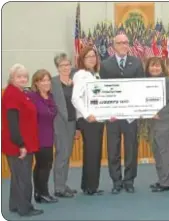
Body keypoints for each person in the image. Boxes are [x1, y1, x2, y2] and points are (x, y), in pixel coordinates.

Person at [99, 33, 145, 194]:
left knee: (131, 148)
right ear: (113, 46)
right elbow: (103, 91)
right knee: (113, 149)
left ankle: (129, 181)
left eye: (126, 42)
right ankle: (116, 181)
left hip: (131, 115)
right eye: (120, 43)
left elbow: (141, 88)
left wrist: (139, 109)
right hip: (112, 115)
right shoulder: (105, 65)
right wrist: (107, 111)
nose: (123, 45)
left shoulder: (137, 63)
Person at [1, 64, 44, 216]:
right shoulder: (12, 94)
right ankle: (25, 209)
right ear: (12, 78)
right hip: (18, 144)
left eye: (25, 76)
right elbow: (12, 123)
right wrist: (20, 144)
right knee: (23, 178)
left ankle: (15, 205)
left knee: (17, 177)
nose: (23, 79)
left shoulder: (19, 92)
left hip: (23, 142)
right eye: (19, 76)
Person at [72, 46, 104, 195]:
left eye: (94, 56)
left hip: (97, 118)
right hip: (88, 120)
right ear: (82, 60)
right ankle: (90, 187)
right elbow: (75, 98)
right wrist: (86, 114)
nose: (92, 58)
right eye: (88, 56)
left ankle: (89, 185)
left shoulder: (95, 75)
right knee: (92, 152)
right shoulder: (81, 75)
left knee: (94, 153)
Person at [143, 57, 169, 192]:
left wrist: (160, 114)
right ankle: (162, 179)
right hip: (151, 123)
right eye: (152, 66)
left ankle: (167, 183)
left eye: (157, 66)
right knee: (157, 152)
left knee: (166, 153)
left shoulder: (168, 82)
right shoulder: (144, 83)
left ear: (162, 68)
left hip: (164, 122)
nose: (155, 68)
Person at [51, 53, 79, 198]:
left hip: (72, 122)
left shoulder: (74, 82)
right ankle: (59, 188)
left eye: (68, 64)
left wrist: (77, 127)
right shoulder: (53, 83)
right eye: (62, 65)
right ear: (57, 67)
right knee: (62, 154)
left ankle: (63, 183)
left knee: (67, 155)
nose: (65, 67)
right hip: (59, 123)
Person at [27, 70, 58, 204]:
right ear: (36, 83)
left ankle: (39, 193)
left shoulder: (50, 96)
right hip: (38, 136)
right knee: (44, 165)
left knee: (41, 165)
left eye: (47, 80)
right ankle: (43, 193)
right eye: (42, 80)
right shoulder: (32, 97)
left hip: (48, 135)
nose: (46, 83)